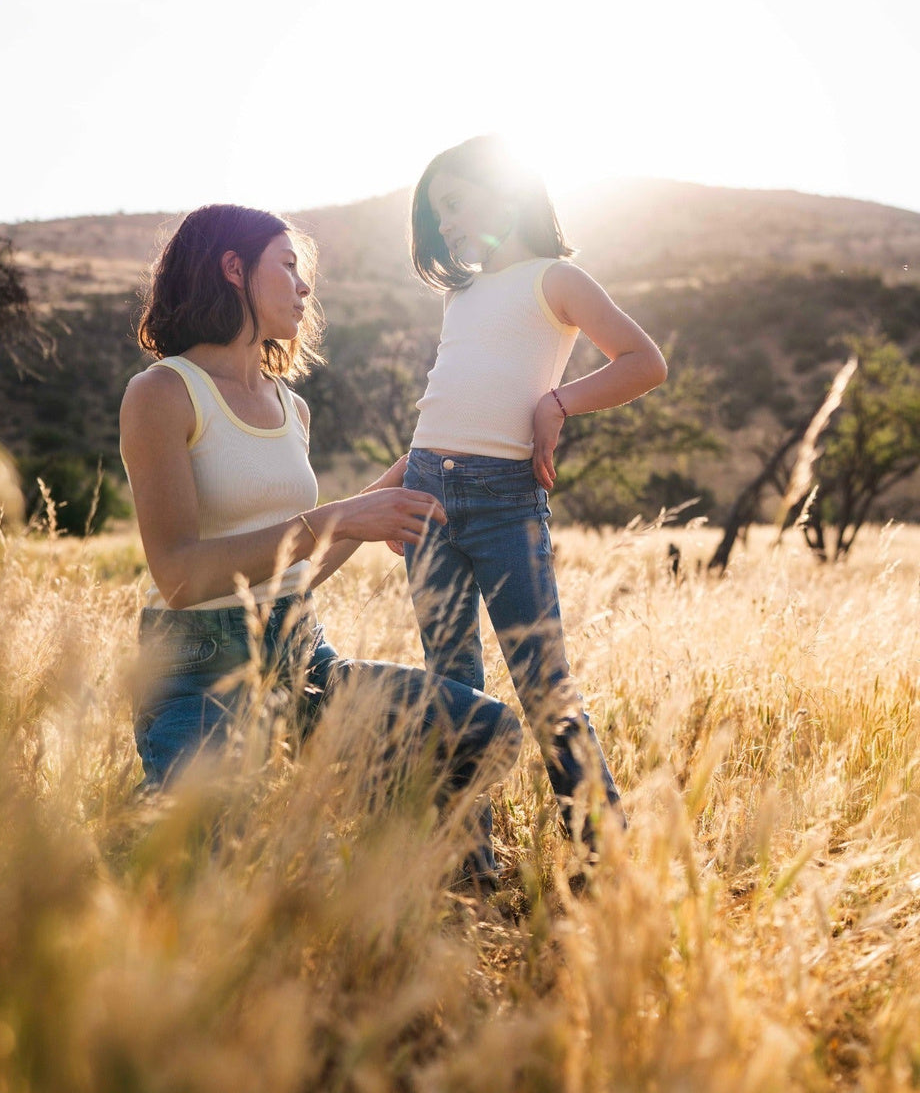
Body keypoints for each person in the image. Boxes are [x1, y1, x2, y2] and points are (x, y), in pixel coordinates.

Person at [119, 203, 522, 872]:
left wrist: (383, 499)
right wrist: (336, 519)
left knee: (484, 734)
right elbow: (179, 574)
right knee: (208, 869)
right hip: (200, 674)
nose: (305, 286)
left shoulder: (290, 406)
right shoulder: (163, 393)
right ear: (232, 269)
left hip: (306, 661)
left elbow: (290, 570)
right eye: (288, 266)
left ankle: (389, 875)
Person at [399, 136, 668, 879]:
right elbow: (441, 411)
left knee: (543, 683)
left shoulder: (558, 279)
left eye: (454, 204)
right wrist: (389, 492)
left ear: (505, 193)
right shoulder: (462, 296)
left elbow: (645, 361)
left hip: (503, 499)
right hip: (426, 493)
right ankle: (466, 866)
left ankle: (604, 862)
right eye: (436, 214)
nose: (446, 225)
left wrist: (559, 401)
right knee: (450, 687)